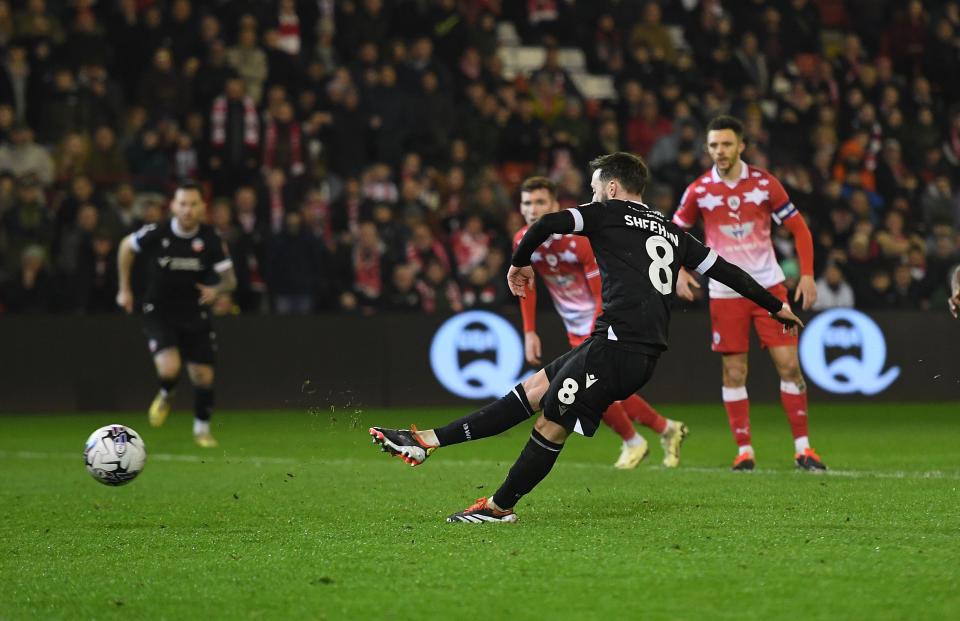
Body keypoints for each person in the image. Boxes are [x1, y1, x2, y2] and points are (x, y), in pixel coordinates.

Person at [369, 152, 803, 523]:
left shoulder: (605, 213)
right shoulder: (670, 230)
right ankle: (427, 440)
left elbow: (543, 225)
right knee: (532, 390)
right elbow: (726, 271)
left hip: (619, 348)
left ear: (613, 188)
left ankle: (499, 507)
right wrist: (774, 304)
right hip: (624, 348)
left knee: (551, 423)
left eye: (595, 188)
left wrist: (518, 264)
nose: (592, 196)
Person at [671, 115, 826, 472]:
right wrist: (679, 270)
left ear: (741, 145)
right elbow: (673, 236)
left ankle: (804, 449)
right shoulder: (698, 190)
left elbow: (799, 228)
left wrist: (806, 274)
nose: (719, 151)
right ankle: (744, 451)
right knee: (734, 372)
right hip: (725, 293)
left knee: (789, 366)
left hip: (769, 287)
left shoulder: (764, 184)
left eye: (726, 144)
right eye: (713, 145)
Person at [513, 175, 687, 469]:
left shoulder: (579, 239)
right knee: (599, 388)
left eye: (540, 202)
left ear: (556, 204)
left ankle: (634, 441)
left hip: (603, 322)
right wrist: (529, 331)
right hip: (574, 327)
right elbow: (525, 285)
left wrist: (596, 334)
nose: (533, 209)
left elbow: (601, 294)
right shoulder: (523, 239)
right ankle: (665, 429)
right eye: (527, 203)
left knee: (590, 388)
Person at [116, 181, 236, 447]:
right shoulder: (157, 233)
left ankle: (202, 430)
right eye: (182, 204)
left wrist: (216, 290)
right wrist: (124, 289)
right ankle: (166, 393)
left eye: (193, 204)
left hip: (194, 312)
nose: (188, 210)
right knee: (170, 368)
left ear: (202, 208)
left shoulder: (210, 238)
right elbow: (126, 246)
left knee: (203, 375)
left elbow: (230, 280)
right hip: (160, 310)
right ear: (173, 206)